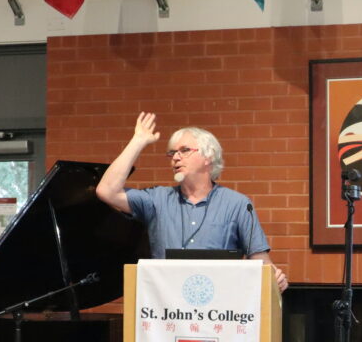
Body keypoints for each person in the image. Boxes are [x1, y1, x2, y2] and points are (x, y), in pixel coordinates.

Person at [96, 112, 288, 291]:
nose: (175, 158)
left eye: (184, 150)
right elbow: (107, 190)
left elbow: (260, 262)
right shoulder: (157, 199)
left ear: (208, 156)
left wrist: (276, 278)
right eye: (172, 153)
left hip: (220, 310)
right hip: (167, 309)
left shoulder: (237, 204)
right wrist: (137, 141)